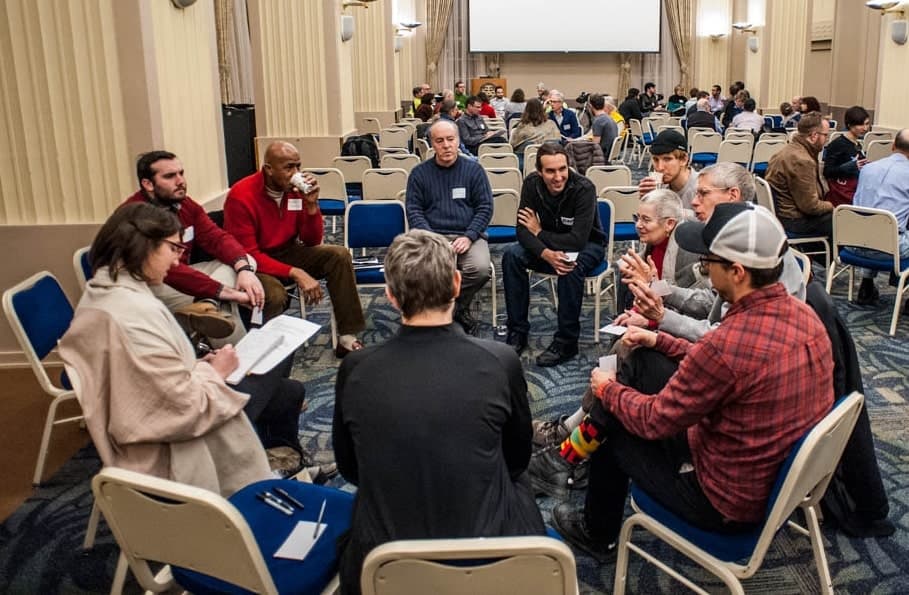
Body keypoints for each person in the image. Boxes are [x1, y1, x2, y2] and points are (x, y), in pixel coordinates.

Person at [543, 202, 834, 562]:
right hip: (768, 473)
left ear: (738, 272)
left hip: (722, 502)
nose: (705, 271)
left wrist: (607, 389)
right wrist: (659, 339)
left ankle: (595, 528)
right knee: (644, 359)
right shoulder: (806, 316)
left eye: (708, 264)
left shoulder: (727, 346)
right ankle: (568, 457)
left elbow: (654, 419)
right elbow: (725, 367)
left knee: (616, 418)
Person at [333, 229, 545, 594]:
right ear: (457, 283)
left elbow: (350, 468)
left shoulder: (355, 369)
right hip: (490, 555)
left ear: (390, 295)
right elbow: (516, 459)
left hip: (383, 564)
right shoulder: (500, 360)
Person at [58, 203, 275, 497]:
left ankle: (280, 460)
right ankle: (263, 486)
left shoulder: (103, 292)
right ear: (144, 245)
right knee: (272, 372)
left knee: (286, 391)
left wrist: (201, 367)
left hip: (147, 421)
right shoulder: (132, 315)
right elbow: (186, 407)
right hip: (173, 451)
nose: (177, 261)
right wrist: (215, 372)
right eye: (173, 248)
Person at [224, 141, 366, 357]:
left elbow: (311, 240)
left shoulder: (295, 191)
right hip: (254, 262)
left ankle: (347, 336)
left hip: (288, 250)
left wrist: (311, 207)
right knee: (274, 294)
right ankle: (264, 350)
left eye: (298, 166)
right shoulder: (241, 195)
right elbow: (248, 254)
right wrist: (295, 272)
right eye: (289, 167)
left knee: (338, 256)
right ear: (269, 169)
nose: (296, 173)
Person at [122, 151, 266, 346]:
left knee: (246, 260)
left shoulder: (184, 205)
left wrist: (244, 270)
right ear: (147, 184)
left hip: (182, 274)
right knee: (226, 302)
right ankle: (240, 362)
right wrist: (226, 292)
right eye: (169, 176)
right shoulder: (136, 215)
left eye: (181, 173)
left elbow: (217, 238)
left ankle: (207, 306)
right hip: (148, 285)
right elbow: (169, 271)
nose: (180, 181)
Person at [502, 143, 606, 367]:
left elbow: (577, 240)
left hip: (589, 245)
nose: (558, 177)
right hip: (548, 244)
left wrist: (539, 232)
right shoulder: (531, 184)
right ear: (540, 172)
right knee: (511, 256)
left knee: (569, 265)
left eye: (562, 169)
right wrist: (545, 253)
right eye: (550, 171)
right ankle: (517, 331)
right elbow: (521, 230)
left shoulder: (584, 188)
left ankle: (567, 341)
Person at [405, 119, 493, 335]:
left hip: (468, 235)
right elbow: (414, 210)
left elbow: (485, 208)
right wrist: (432, 239)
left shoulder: (474, 170)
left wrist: (470, 236)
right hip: (431, 236)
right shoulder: (419, 173)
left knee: (480, 270)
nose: (446, 145)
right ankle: (450, 313)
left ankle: (450, 310)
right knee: (422, 272)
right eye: (440, 141)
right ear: (432, 145)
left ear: (458, 141)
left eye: (450, 139)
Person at [613, 190, 700, 312]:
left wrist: (649, 320)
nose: (638, 225)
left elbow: (684, 303)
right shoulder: (654, 239)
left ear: (669, 224)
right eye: (637, 218)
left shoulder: (686, 249)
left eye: (646, 220)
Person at [852, 128, 909, 305]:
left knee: (873, 223)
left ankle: (866, 284)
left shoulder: (868, 168)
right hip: (890, 249)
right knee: (890, 230)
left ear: (893, 146)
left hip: (854, 242)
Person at [765, 111, 833, 245]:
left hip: (781, 215)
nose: (827, 140)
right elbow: (810, 206)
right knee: (840, 219)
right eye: (826, 135)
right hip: (793, 220)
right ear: (814, 136)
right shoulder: (802, 160)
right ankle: (834, 262)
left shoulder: (786, 150)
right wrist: (832, 206)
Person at [637, 130, 699, 209]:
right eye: (656, 160)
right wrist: (647, 202)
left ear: (684, 159)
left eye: (667, 159)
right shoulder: (659, 187)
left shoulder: (700, 189)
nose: (660, 168)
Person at [823, 105, 870, 207]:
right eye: (860, 125)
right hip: (843, 194)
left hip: (855, 188)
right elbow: (827, 172)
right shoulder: (838, 144)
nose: (865, 128)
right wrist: (848, 167)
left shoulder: (857, 143)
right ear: (849, 125)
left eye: (867, 124)